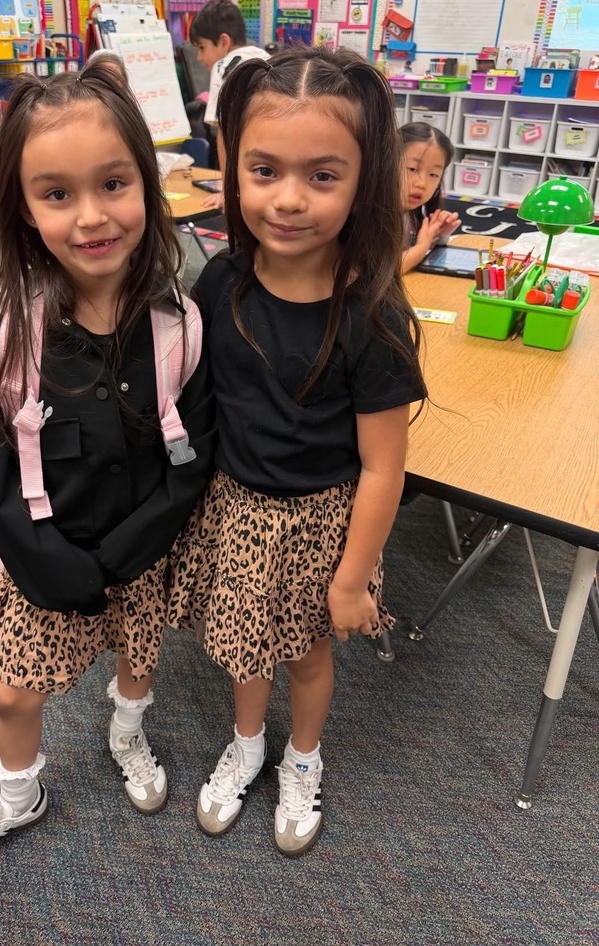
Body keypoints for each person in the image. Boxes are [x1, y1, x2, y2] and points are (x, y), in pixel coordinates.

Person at [0, 61, 215, 877]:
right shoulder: (1, 333)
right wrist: (46, 562)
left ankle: (127, 735)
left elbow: (192, 454)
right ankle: (18, 794)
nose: (92, 217)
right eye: (57, 194)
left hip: (141, 547)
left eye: (113, 185)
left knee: (139, 657)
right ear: (23, 209)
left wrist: (134, 548)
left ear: (147, 186)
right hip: (42, 553)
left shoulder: (179, 325)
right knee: (14, 692)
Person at [168, 47, 426, 857]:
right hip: (237, 509)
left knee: (309, 657)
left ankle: (303, 759)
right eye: (264, 170)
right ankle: (247, 745)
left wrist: (352, 580)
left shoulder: (371, 314)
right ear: (234, 171)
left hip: (323, 525)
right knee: (245, 647)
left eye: (321, 176)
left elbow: (385, 465)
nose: (287, 199)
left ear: (363, 181)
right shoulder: (221, 284)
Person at [190, 0, 271, 210]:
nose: (199, 57)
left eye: (201, 47)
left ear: (224, 42)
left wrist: (226, 190)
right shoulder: (267, 58)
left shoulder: (223, 67)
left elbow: (223, 131)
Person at [400, 121, 460, 273]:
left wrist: (438, 234)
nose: (422, 183)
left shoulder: (409, 213)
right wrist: (422, 246)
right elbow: (381, 273)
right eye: (412, 169)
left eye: (433, 174)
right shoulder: (368, 215)